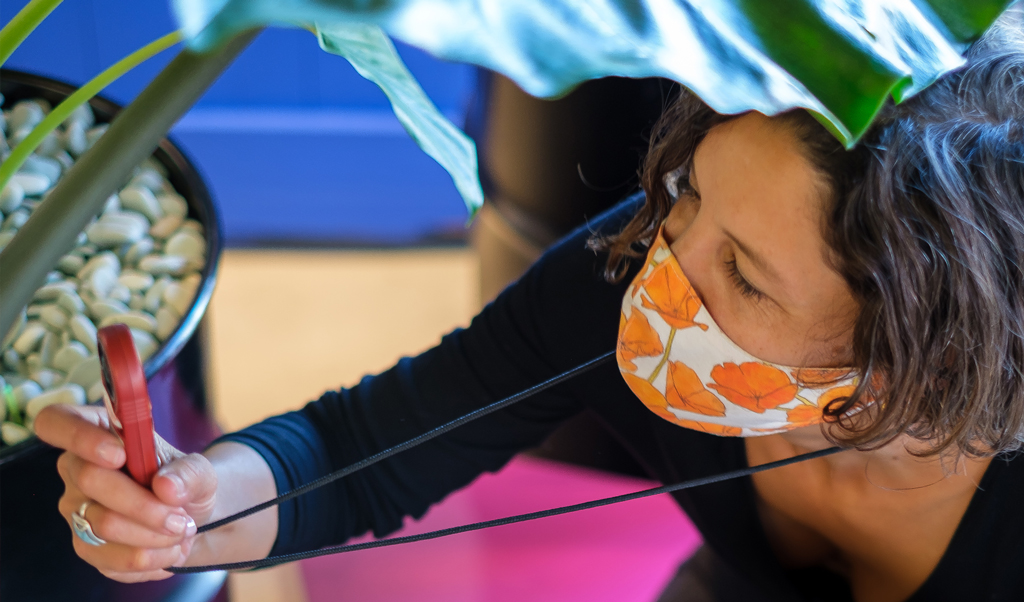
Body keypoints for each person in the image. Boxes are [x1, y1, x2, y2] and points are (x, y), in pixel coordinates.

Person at [36, 11, 1024, 601]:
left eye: (746, 275)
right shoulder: (623, 271)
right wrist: (197, 499)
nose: (662, 270)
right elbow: (362, 451)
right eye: (688, 192)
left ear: (918, 361)